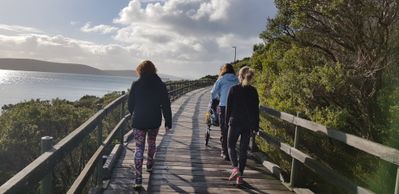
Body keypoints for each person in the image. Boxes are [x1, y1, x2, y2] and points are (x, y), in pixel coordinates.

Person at [128, 60, 172, 189]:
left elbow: (130, 104)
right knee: (151, 142)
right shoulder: (161, 85)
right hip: (154, 120)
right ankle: (150, 164)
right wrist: (168, 122)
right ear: (154, 70)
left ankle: (138, 179)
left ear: (140, 70)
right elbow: (166, 105)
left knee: (139, 148)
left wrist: (134, 114)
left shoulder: (136, 84)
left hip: (139, 120)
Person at [226, 66, 259, 185]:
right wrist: (256, 126)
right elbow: (256, 110)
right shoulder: (253, 91)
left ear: (239, 76)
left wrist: (226, 123)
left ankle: (235, 169)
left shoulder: (233, 89)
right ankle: (240, 177)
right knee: (243, 151)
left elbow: (228, 109)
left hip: (235, 123)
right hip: (248, 124)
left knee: (230, 146)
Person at [210, 63, 239, 160]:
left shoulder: (221, 79)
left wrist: (215, 100)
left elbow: (213, 93)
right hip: (235, 107)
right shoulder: (237, 79)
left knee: (224, 128)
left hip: (224, 106)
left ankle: (225, 152)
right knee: (233, 128)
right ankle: (232, 149)